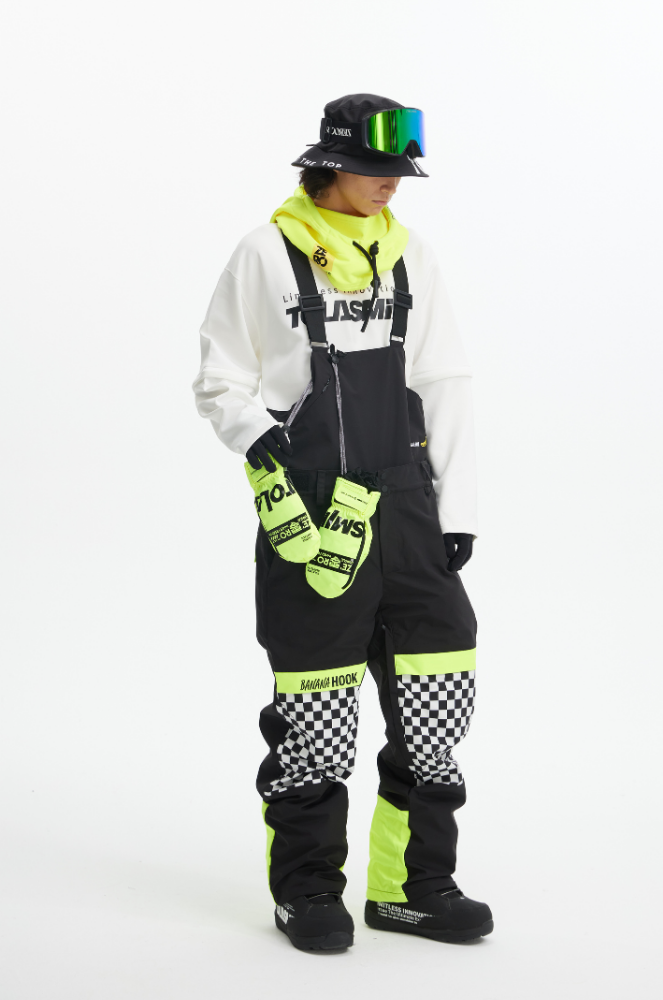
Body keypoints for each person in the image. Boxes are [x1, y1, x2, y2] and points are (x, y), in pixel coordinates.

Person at [192, 93, 492, 951]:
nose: (392, 185)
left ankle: (413, 888)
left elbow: (444, 379)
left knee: (436, 702)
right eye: (374, 169)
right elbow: (219, 382)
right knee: (315, 716)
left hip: (410, 511)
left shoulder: (410, 256)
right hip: (314, 517)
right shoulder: (266, 253)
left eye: (400, 172)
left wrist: (456, 511)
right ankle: (308, 890)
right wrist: (263, 450)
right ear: (328, 166)